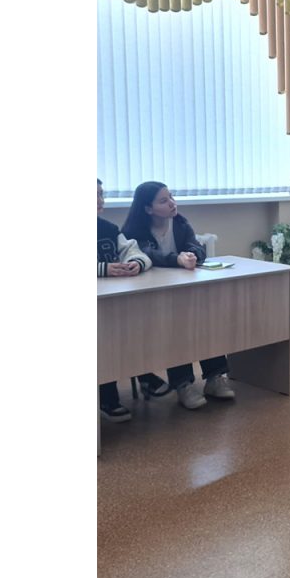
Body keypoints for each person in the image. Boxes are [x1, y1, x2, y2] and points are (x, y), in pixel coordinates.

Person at [122, 181, 235, 409]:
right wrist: (177, 259)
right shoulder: (133, 232)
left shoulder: (180, 222)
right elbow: (148, 255)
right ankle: (182, 384)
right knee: (176, 327)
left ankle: (215, 377)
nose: (172, 203)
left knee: (204, 320)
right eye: (164, 201)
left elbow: (197, 247)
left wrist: (192, 254)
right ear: (148, 209)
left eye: (171, 197)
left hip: (183, 292)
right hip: (150, 298)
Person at [97, 178, 156, 422]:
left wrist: (136, 263)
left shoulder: (109, 229)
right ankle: (107, 397)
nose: (100, 200)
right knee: (102, 338)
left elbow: (134, 251)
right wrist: (103, 269)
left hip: (110, 302)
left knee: (137, 324)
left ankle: (144, 373)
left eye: (101, 194)